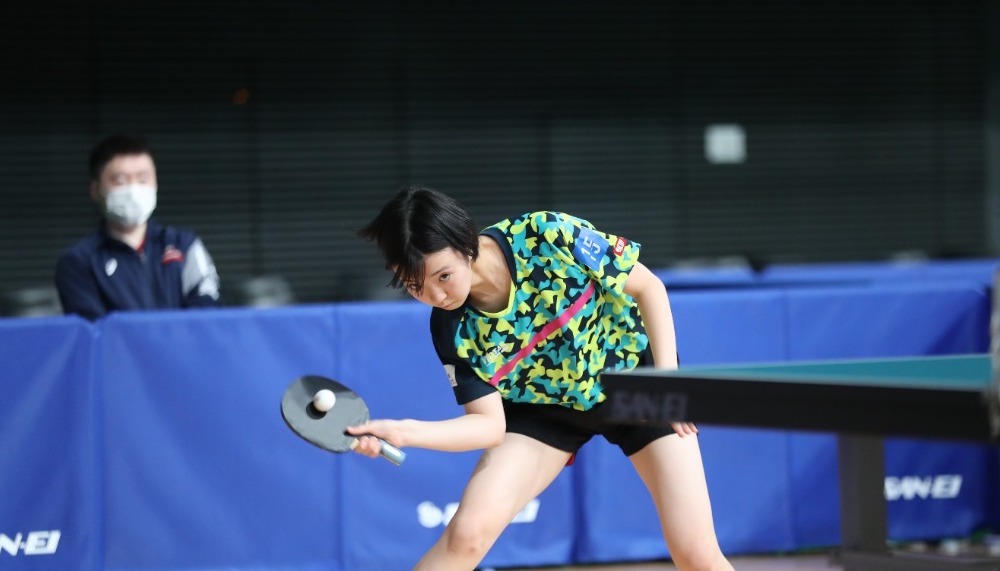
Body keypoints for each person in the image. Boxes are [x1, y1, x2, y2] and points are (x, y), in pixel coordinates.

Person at [353, 185, 733, 571]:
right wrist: (403, 431)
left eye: (443, 276)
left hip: (633, 378)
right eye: (415, 286)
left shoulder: (548, 235)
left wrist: (668, 381)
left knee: (696, 553)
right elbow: (487, 426)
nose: (436, 295)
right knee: (466, 535)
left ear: (464, 242)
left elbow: (648, 287)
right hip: (545, 409)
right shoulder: (451, 328)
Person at [55, 134, 220, 320]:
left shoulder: (185, 244)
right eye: (120, 181)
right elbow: (94, 330)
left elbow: (207, 316)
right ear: (95, 190)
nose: (134, 190)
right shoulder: (79, 262)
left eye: (143, 179)